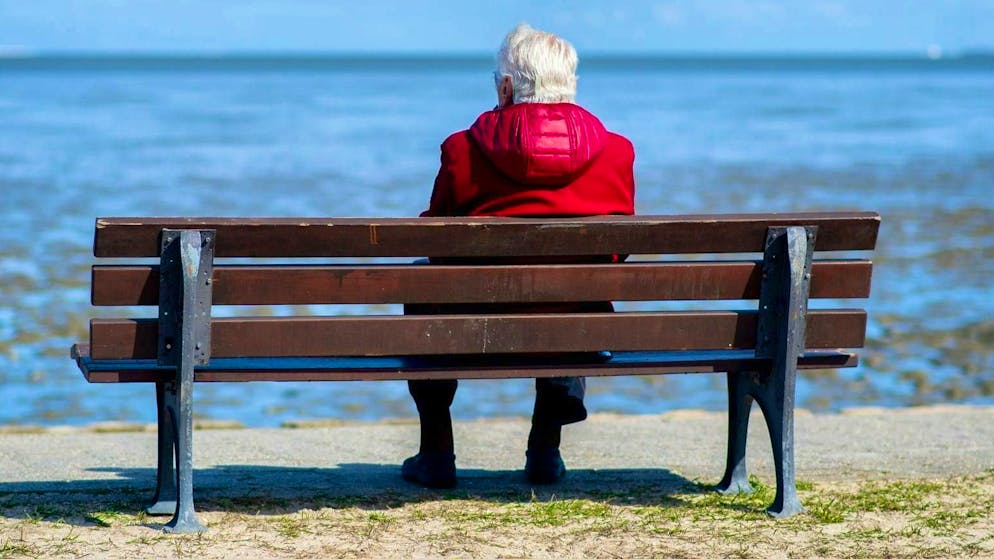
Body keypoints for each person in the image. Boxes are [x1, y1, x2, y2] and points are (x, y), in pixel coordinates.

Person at [402, 23, 635, 488]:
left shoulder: (461, 149)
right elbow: (619, 249)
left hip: (472, 326)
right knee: (576, 291)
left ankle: (436, 454)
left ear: (507, 87)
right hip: (571, 329)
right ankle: (545, 451)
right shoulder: (617, 152)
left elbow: (434, 241)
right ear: (569, 86)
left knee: (421, 281)